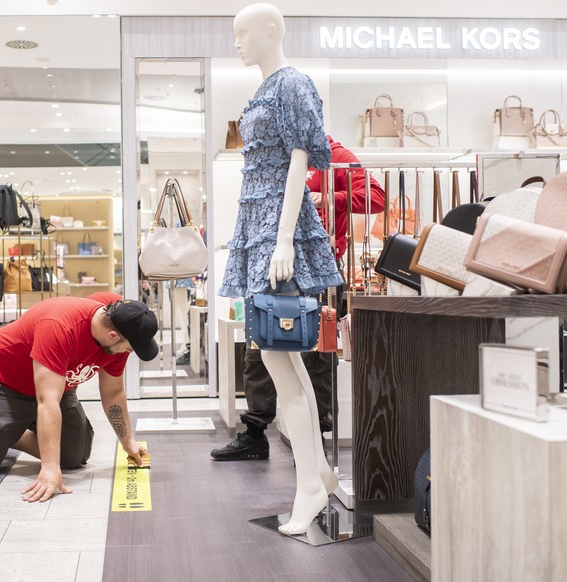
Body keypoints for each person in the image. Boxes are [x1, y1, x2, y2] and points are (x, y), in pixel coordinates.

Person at [218, 3, 344, 536]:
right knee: (279, 362)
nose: (238, 43)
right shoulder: (263, 89)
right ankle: (318, 474)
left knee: (281, 358)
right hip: (259, 225)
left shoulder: (293, 83)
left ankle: (312, 484)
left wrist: (286, 238)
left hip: (277, 229)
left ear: (271, 30)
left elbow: (301, 159)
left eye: (244, 33)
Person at [211, 136, 385, 462]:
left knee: (318, 355)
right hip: (274, 268)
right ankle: (255, 433)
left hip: (320, 272)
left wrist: (328, 197)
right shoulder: (272, 156)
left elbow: (376, 198)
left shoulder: (333, 154)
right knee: (260, 348)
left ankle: (316, 439)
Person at [0, 295, 158, 503]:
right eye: (128, 348)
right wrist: (49, 468)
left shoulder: (120, 319)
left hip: (57, 384)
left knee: (74, 455)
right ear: (112, 335)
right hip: (5, 382)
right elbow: (47, 402)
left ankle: (7, 431)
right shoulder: (59, 327)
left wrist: (128, 441)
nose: (128, 353)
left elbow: (114, 393)